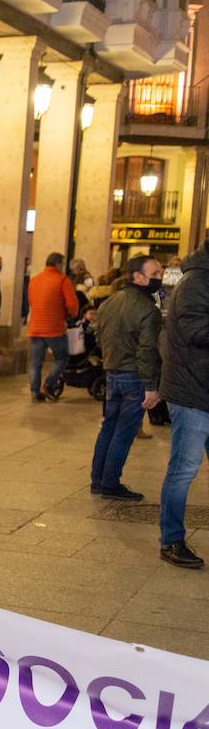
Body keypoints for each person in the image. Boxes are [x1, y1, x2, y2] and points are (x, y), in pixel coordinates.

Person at [89, 256, 163, 502]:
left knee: (109, 426)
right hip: (134, 377)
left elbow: (99, 337)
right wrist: (152, 387)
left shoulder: (109, 302)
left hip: (112, 372)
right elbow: (147, 351)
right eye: (155, 273)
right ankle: (111, 484)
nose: (160, 277)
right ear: (137, 277)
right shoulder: (148, 310)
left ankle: (98, 480)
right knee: (124, 431)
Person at [157, 240, 209, 569]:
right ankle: (171, 539)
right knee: (183, 470)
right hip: (192, 392)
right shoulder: (195, 282)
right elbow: (196, 330)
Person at [27, 252, 79, 402]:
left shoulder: (34, 280)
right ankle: (48, 385)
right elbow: (72, 304)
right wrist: (71, 315)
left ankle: (34, 393)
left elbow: (31, 301)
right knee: (62, 358)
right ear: (57, 264)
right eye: (62, 264)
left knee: (35, 362)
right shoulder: (62, 280)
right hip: (54, 328)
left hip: (35, 327)